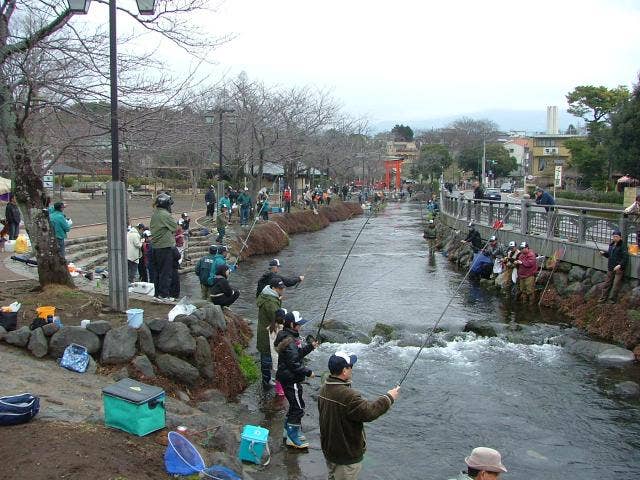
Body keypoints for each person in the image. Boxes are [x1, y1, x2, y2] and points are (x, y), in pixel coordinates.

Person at [318, 351, 400, 478]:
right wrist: (389, 398)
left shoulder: (324, 388)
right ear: (344, 371)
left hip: (329, 451)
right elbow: (369, 412)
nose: (352, 369)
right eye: (351, 366)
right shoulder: (349, 396)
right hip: (346, 455)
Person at [274, 310, 318, 449]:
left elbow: (296, 355)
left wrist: (310, 347)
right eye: (298, 324)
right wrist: (308, 372)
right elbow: (294, 363)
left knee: (294, 405)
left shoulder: (286, 337)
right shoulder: (290, 341)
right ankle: (292, 437)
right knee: (298, 408)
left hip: (287, 378)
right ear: (292, 324)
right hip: (291, 380)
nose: (300, 327)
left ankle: (288, 431)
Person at [256, 278, 285, 389]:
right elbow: (277, 318)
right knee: (267, 356)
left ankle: (267, 378)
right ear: (273, 288)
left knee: (266, 355)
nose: (282, 290)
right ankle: (266, 380)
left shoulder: (268, 296)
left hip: (265, 330)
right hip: (267, 334)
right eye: (280, 288)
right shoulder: (270, 302)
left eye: (282, 288)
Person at [150, 193, 177, 301]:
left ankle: (157, 294)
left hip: (156, 247)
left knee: (157, 272)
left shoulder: (155, 213)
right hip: (165, 247)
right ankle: (164, 295)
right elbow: (175, 227)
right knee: (166, 273)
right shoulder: (165, 215)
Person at [598, 229, 628, 303]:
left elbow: (625, 258)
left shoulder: (623, 246)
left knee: (615, 285)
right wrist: (604, 253)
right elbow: (609, 255)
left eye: (616, 236)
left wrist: (620, 265)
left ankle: (611, 300)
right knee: (607, 283)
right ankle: (602, 299)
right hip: (610, 267)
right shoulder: (611, 245)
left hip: (618, 269)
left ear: (620, 237)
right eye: (614, 236)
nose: (615, 238)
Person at [269, 308, 288, 397]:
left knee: (276, 371)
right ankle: (280, 391)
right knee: (280, 373)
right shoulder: (280, 329)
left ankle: (278, 389)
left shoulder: (271, 327)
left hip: (273, 353)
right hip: (278, 354)